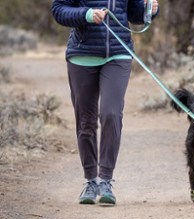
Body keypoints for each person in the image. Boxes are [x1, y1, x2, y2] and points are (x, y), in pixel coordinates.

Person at [51, 0, 159, 205]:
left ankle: (105, 180)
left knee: (111, 113)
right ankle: (91, 181)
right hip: (82, 56)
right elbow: (59, 11)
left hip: (118, 54)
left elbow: (134, 14)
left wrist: (149, 10)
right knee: (86, 122)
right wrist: (86, 14)